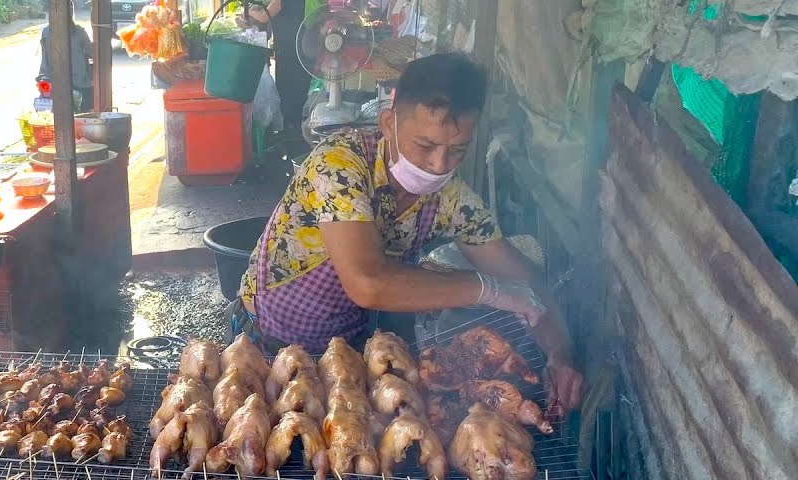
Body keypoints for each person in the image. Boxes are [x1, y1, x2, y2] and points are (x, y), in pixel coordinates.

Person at [230, 52, 585, 416]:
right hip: (271, 345)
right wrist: (486, 289)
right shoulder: (339, 165)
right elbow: (367, 283)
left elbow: (525, 279)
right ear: (389, 123)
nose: (439, 165)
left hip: (347, 353)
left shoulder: (451, 198)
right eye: (425, 146)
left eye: (457, 150)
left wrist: (560, 352)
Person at [244, 0, 306, 135]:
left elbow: (264, 16)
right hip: (297, 45)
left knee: (289, 88)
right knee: (294, 87)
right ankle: (292, 128)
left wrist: (247, 11)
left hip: (292, 46)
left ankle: (291, 131)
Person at [38, 11, 94, 112]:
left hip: (49, 76)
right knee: (89, 109)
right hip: (79, 80)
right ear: (71, 13)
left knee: (47, 111)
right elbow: (91, 52)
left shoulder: (46, 31)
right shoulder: (78, 31)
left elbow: (44, 52)